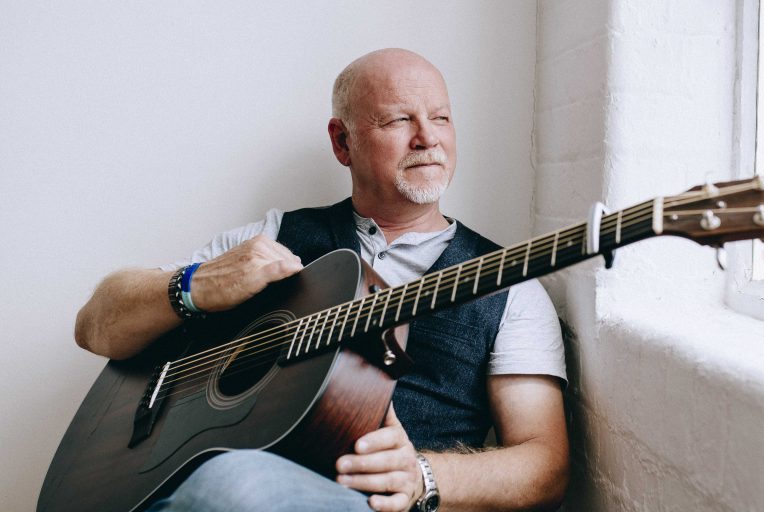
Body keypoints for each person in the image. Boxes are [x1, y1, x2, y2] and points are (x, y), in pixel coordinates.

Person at [74, 48, 569, 511]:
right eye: (400, 119)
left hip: (362, 502)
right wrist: (194, 286)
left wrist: (424, 475)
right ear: (341, 142)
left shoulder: (509, 285)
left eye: (440, 117)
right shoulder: (275, 236)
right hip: (210, 486)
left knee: (232, 484)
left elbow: (546, 466)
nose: (428, 137)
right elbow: (96, 324)